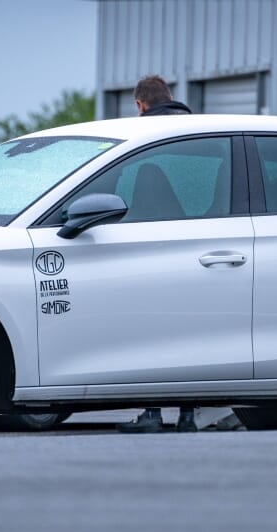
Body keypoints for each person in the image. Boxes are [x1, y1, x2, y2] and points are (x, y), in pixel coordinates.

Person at [117, 75, 195, 434]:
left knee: (151, 332)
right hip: (203, 249)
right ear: (170, 98)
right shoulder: (197, 132)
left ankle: (152, 412)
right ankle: (188, 416)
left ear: (139, 105)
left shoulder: (142, 141)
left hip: (154, 249)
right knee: (189, 333)